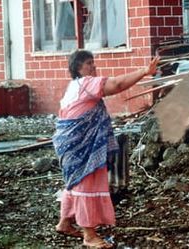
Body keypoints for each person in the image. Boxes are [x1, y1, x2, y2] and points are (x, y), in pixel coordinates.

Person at [53, 50, 159, 248]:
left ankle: (65, 223)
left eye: (93, 63)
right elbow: (116, 85)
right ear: (78, 68)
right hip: (79, 144)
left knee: (74, 182)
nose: (93, 67)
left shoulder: (73, 86)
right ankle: (89, 235)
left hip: (67, 143)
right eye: (88, 63)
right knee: (86, 183)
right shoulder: (86, 83)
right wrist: (145, 70)